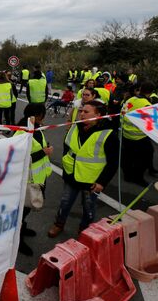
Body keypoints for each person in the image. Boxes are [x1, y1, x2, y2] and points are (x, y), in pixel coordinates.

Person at [48, 101, 119, 237]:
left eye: (86, 112)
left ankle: (84, 230)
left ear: (98, 114)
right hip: (71, 174)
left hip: (91, 180)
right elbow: (66, 146)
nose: (81, 114)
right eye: (81, 111)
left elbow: (113, 163)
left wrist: (101, 183)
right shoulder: (75, 127)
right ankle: (59, 224)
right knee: (65, 202)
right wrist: (65, 162)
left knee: (89, 207)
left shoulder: (109, 134)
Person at [14, 103, 53, 256]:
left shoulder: (35, 127)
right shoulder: (23, 131)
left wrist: (44, 150)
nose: (44, 118)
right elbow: (18, 157)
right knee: (21, 211)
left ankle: (22, 228)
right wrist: (43, 152)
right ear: (36, 116)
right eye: (42, 115)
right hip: (27, 180)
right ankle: (18, 240)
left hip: (37, 178)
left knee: (27, 209)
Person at [121, 81, 156, 187]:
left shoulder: (131, 100)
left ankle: (127, 175)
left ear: (140, 89)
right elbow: (149, 122)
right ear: (151, 92)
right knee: (145, 157)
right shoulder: (146, 105)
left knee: (127, 157)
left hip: (126, 134)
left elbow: (123, 113)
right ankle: (138, 178)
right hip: (139, 136)